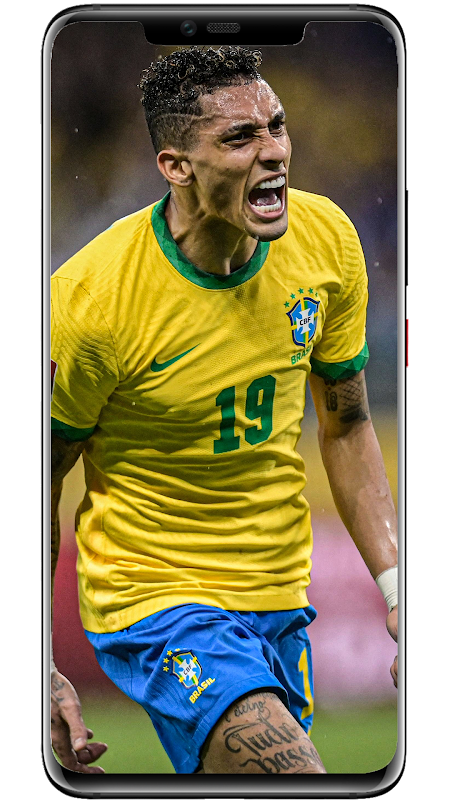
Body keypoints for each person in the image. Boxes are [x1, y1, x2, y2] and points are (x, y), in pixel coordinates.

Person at [50, 45, 398, 776]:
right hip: (155, 598)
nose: (273, 151)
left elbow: (347, 425)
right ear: (176, 166)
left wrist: (396, 590)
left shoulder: (327, 243)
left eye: (277, 125)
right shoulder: (93, 301)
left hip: (277, 594)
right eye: (240, 137)